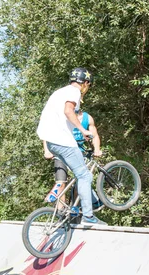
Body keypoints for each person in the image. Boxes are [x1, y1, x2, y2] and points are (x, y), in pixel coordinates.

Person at [37, 67, 106, 225]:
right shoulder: (75, 92)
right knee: (85, 176)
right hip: (62, 141)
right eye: (88, 86)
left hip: (51, 141)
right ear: (85, 83)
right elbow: (69, 112)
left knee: (76, 174)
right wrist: (82, 130)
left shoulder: (59, 92)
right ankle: (88, 217)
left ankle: (69, 206)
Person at [43, 107, 103, 210]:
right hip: (61, 155)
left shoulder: (87, 118)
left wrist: (97, 149)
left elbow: (95, 135)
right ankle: (59, 211)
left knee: (80, 183)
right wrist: (47, 151)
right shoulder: (63, 118)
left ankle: (74, 209)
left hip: (79, 156)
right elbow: (48, 134)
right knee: (61, 183)